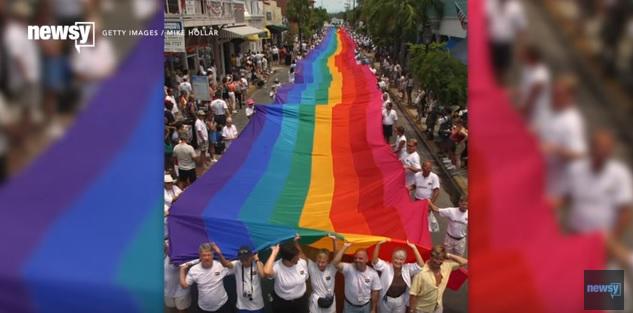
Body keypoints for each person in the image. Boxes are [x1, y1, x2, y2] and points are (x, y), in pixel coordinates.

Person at [555, 130, 633, 238]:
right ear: (590, 147)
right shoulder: (575, 169)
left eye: (607, 148)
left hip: (602, 239)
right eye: (598, 147)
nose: (602, 151)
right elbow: (565, 198)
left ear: (611, 150)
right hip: (575, 233)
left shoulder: (620, 174)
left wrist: (614, 238)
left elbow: (626, 212)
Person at [538, 76, 586, 196]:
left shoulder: (572, 121)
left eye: (558, 94)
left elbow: (579, 154)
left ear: (569, 98)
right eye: (553, 92)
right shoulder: (551, 112)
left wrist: (555, 149)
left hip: (553, 189)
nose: (553, 96)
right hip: (539, 181)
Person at [408, 245, 468, 313]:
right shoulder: (421, 273)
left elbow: (465, 262)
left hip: (438, 308)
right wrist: (412, 310)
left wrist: (449, 255)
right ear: (430, 257)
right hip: (421, 310)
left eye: (440, 259)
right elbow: (413, 294)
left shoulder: (447, 265)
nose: (437, 262)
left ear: (444, 259)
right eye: (435, 258)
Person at [372, 240, 425, 313]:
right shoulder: (386, 266)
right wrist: (378, 245)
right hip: (385, 300)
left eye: (401, 259)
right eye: (396, 258)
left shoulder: (407, 268)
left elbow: (421, 265)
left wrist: (414, 247)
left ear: (404, 260)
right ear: (392, 258)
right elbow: (375, 261)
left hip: (400, 300)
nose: (398, 261)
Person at [179, 243, 233, 313]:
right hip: (204, 308)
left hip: (222, 305)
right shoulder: (194, 270)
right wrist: (182, 270)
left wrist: (219, 253)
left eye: (209, 255)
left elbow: (231, 266)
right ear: (200, 256)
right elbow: (184, 285)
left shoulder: (220, 265)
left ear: (212, 255)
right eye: (204, 255)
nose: (207, 258)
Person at [332, 242, 381, 313]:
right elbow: (335, 263)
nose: (357, 260)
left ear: (367, 259)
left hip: (365, 307)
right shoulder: (348, 268)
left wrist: (373, 309)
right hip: (349, 306)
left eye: (360, 258)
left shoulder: (373, 273)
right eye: (355, 258)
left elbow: (375, 291)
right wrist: (345, 247)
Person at [263, 242, 309, 313]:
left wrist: (296, 242)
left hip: (301, 302)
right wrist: (274, 253)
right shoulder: (277, 267)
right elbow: (266, 271)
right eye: (296, 257)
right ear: (288, 259)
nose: (299, 258)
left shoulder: (301, 262)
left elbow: (304, 259)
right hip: (283, 304)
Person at [224, 246, 266, 313]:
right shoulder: (237, 264)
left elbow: (262, 275)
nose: (244, 262)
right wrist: (220, 254)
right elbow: (227, 264)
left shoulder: (257, 264)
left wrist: (257, 259)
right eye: (242, 259)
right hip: (242, 306)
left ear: (251, 257)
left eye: (246, 259)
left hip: (257, 305)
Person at [165, 243, 191, 313]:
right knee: (172, 309)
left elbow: (185, 269)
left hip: (180, 292)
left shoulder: (180, 258)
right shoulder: (164, 256)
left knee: (182, 310)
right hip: (167, 291)